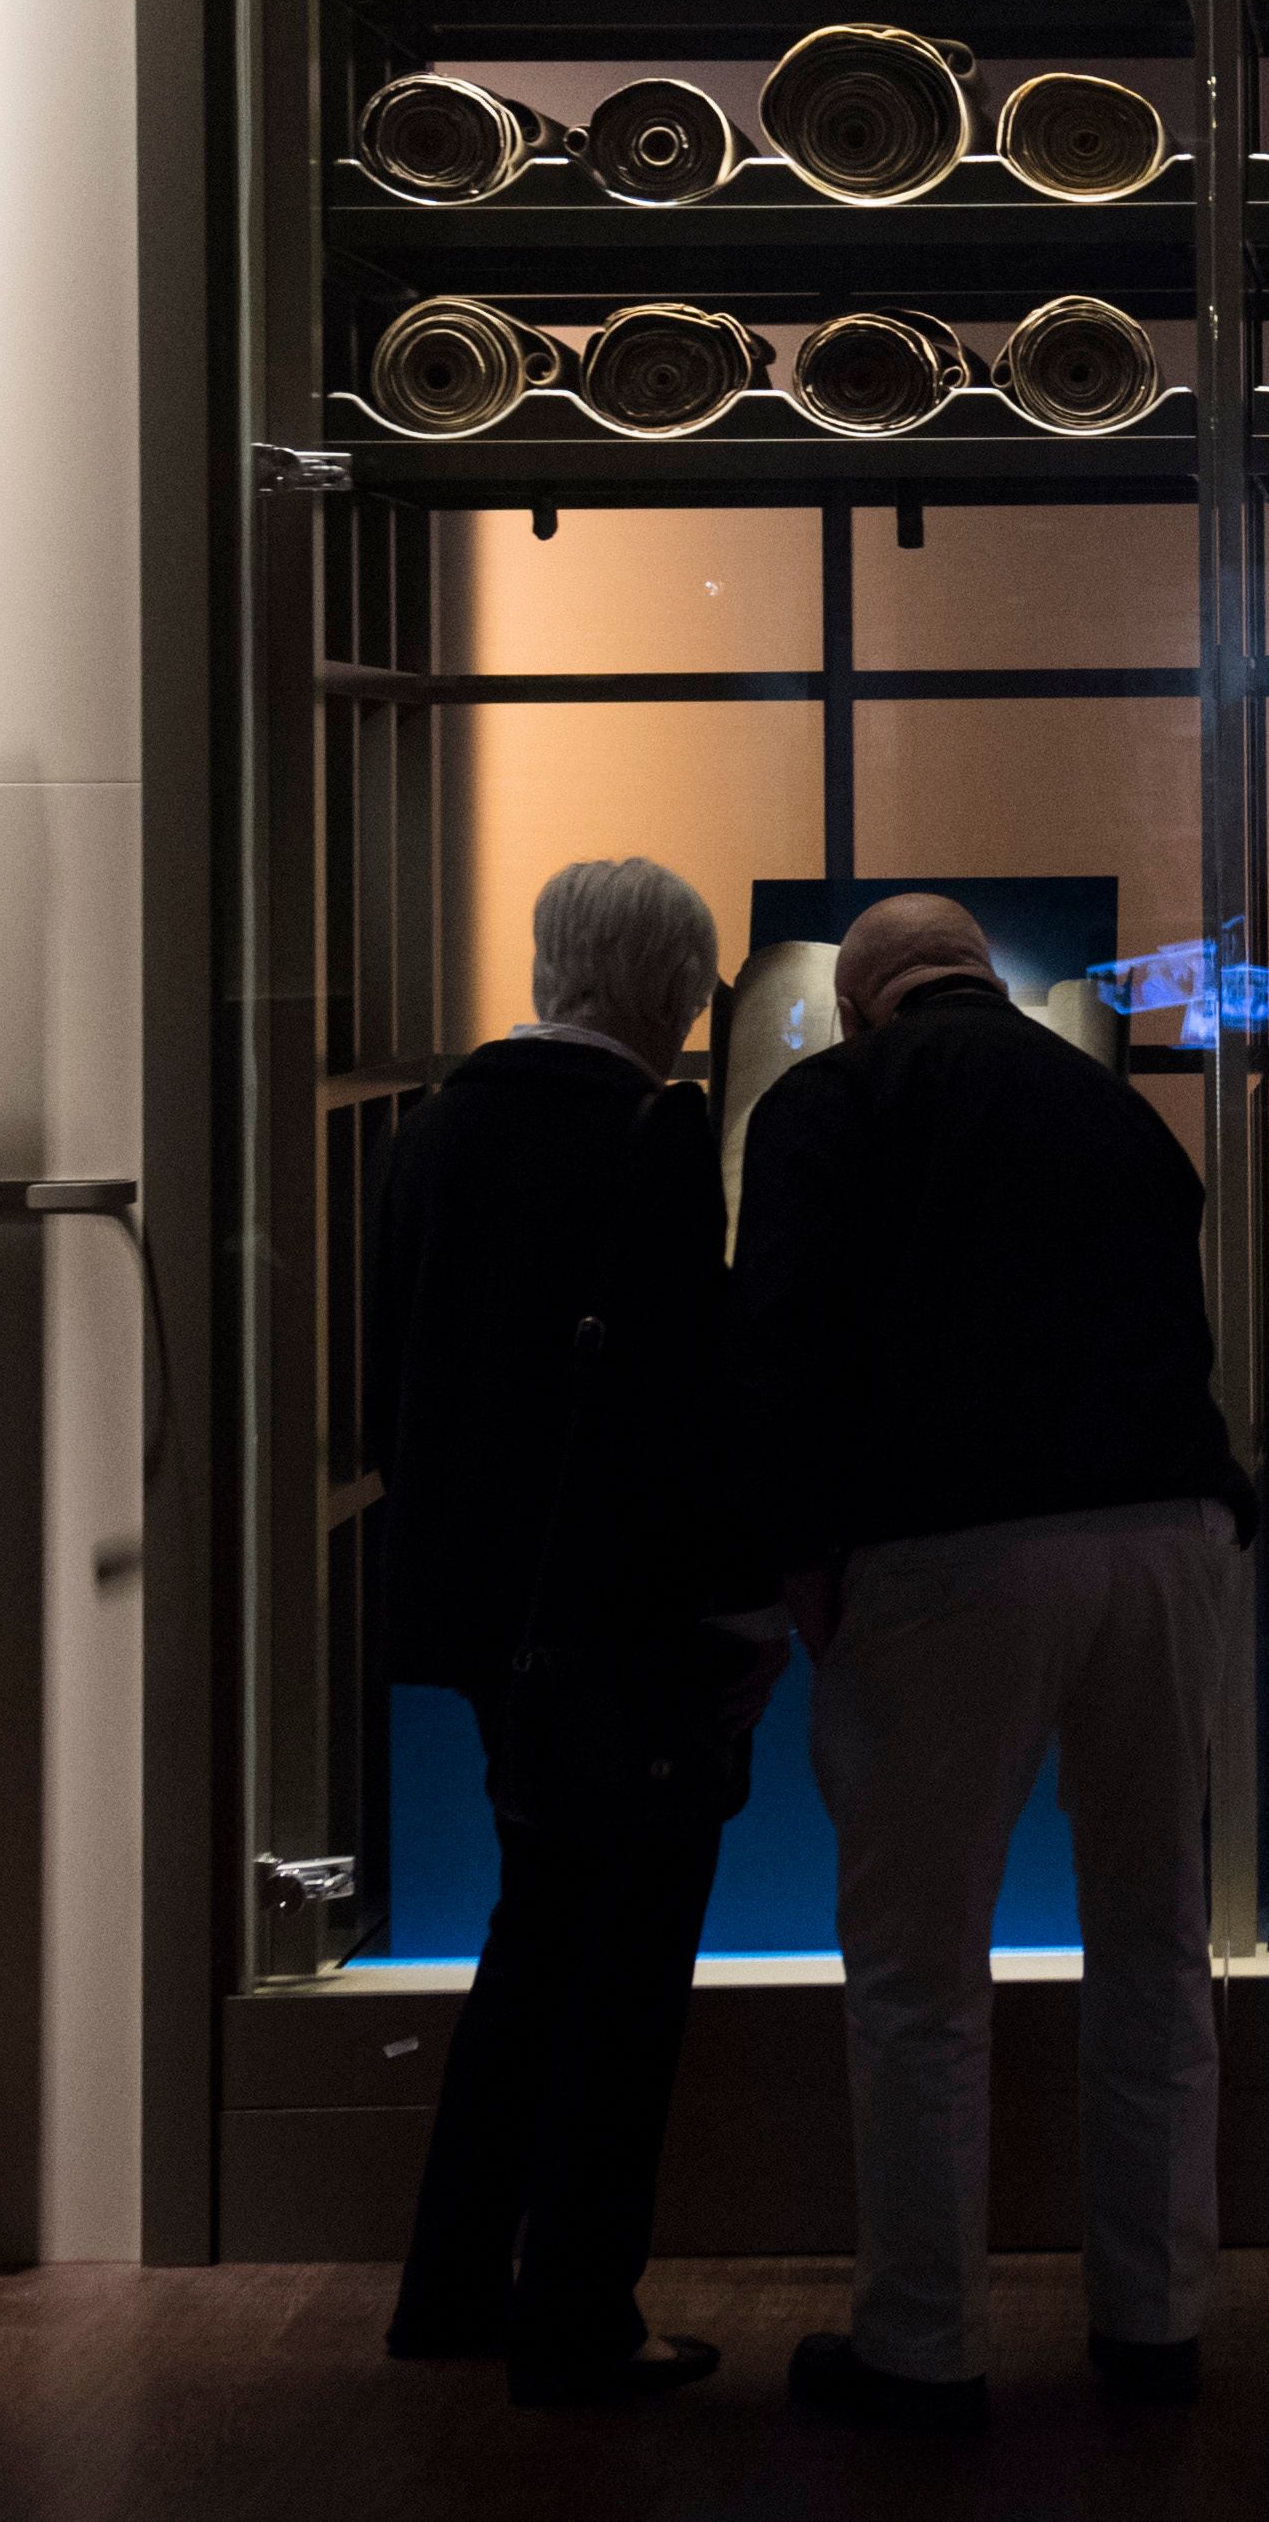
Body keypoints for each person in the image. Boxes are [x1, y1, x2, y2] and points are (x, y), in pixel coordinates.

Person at [744, 892, 1257, 2434]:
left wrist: (802, 1568)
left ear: (857, 1002)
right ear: (979, 977)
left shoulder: (829, 1103)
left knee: (919, 1974)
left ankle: (922, 2343)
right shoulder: (1114, 1111)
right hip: (1168, 1537)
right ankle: (1153, 2319)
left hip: (951, 1552)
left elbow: (781, 1345)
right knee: (1157, 1939)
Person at [375, 855, 778, 2407]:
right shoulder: (649, 1136)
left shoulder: (435, 1129)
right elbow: (689, 1401)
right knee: (622, 1979)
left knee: (532, 1937)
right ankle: (579, 2309)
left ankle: (452, 2283)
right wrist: (742, 1603)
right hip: (625, 1619)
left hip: (491, 1615)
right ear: (673, 989)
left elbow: (394, 1377)